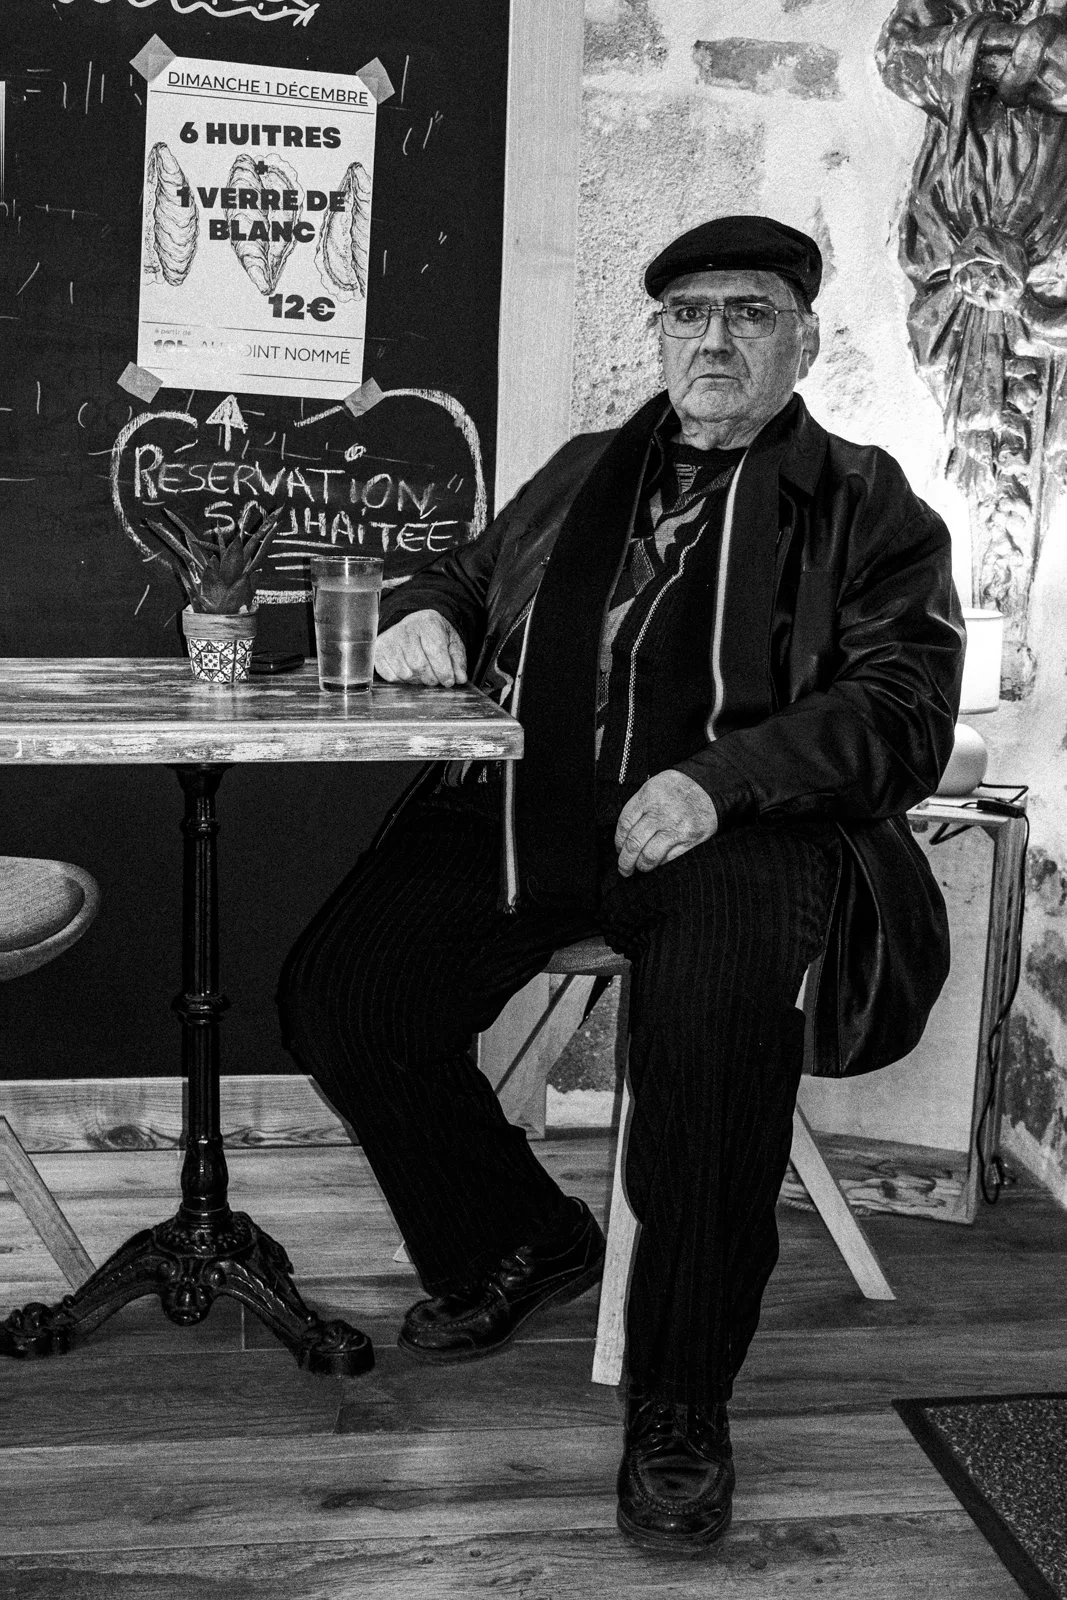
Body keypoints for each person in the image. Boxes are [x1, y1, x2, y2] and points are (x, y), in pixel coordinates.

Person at [278, 214, 964, 1556]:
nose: (712, 337)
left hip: (739, 828)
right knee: (341, 995)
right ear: (654, 334)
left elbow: (899, 708)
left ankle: (679, 1400)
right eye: (687, 313)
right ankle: (518, 1242)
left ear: (801, 339)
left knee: (707, 1056)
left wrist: (721, 780)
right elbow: (472, 577)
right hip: (533, 809)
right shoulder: (590, 468)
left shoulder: (866, 501)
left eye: (747, 313)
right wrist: (433, 608)